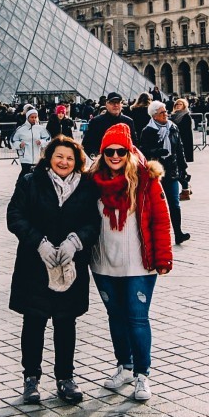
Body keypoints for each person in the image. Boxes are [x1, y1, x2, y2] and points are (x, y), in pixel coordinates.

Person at [6, 136, 100, 405]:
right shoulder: (30, 181)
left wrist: (75, 241)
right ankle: (31, 378)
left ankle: (65, 378)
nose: (64, 162)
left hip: (71, 265)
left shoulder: (86, 186)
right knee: (34, 322)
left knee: (65, 321)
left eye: (70, 158)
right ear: (49, 157)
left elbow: (94, 222)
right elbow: (15, 216)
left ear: (77, 161)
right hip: (34, 264)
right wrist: (39, 242)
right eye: (59, 156)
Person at [88, 124, 172, 402]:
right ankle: (123, 366)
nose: (115, 156)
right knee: (116, 318)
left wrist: (163, 256)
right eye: (109, 151)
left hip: (140, 264)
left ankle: (142, 374)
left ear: (129, 151)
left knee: (137, 319)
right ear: (102, 153)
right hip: (103, 264)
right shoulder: (92, 181)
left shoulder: (146, 179)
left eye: (120, 151)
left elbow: (161, 220)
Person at [138, 100, 190, 245]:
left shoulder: (173, 127)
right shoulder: (147, 131)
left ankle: (178, 233)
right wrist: (157, 151)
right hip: (156, 173)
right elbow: (143, 152)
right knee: (156, 206)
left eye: (165, 111)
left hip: (172, 171)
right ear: (154, 116)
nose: (166, 114)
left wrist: (184, 168)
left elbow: (179, 149)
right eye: (162, 112)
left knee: (175, 203)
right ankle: (155, 236)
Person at [82, 93, 132, 158]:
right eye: (112, 103)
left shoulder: (128, 122)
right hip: (102, 163)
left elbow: (134, 144)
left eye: (118, 102)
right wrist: (96, 157)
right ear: (106, 104)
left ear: (121, 105)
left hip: (123, 162)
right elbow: (87, 143)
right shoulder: (96, 121)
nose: (116, 105)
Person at [13, 106, 52, 178]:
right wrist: (19, 145)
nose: (34, 119)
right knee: (24, 176)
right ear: (27, 118)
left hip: (38, 157)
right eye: (32, 117)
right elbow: (13, 140)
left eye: (35, 117)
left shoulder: (41, 129)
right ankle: (20, 188)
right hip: (25, 158)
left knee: (38, 176)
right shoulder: (20, 129)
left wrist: (41, 142)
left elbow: (48, 139)